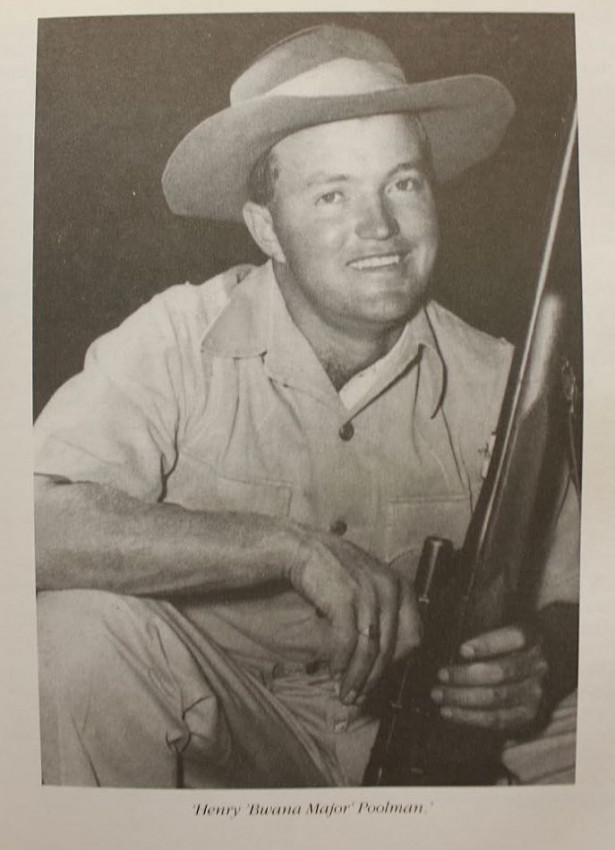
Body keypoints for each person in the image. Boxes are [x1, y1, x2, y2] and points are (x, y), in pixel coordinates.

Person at [34, 24, 579, 788]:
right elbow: (32, 527)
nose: (380, 228)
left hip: (431, 740)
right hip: (230, 741)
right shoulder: (175, 338)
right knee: (70, 636)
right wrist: (286, 548)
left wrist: (546, 654)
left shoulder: (503, 383)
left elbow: (582, 591)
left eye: (402, 183)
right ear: (268, 228)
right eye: (332, 194)